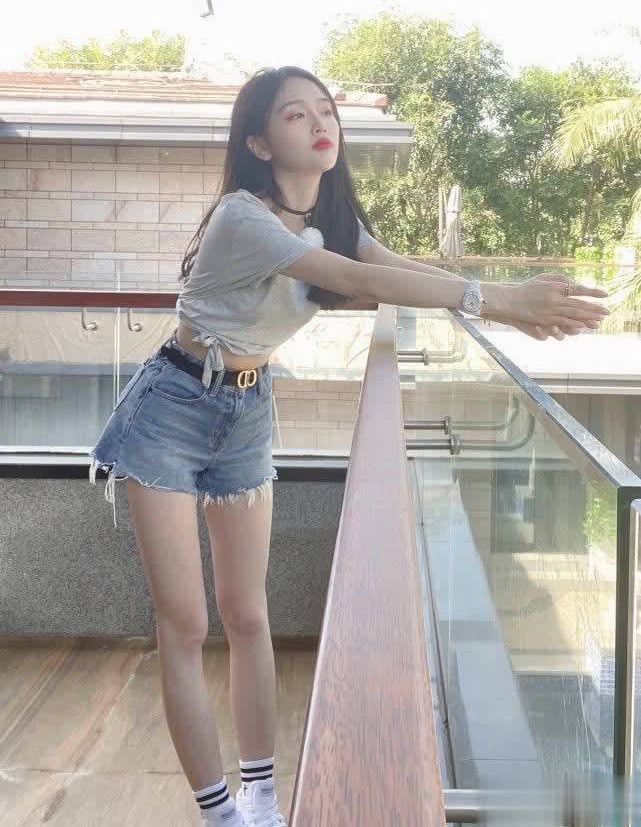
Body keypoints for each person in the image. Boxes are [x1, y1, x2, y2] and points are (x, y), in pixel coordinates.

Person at [88, 66, 610, 826]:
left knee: (248, 613)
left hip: (246, 409)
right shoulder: (242, 218)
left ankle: (260, 796)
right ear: (259, 143)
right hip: (169, 407)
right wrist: (499, 299)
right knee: (186, 624)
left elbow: (393, 269)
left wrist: (508, 305)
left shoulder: (334, 219)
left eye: (325, 110)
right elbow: (348, 276)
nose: (319, 123)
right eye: (295, 115)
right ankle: (218, 812)